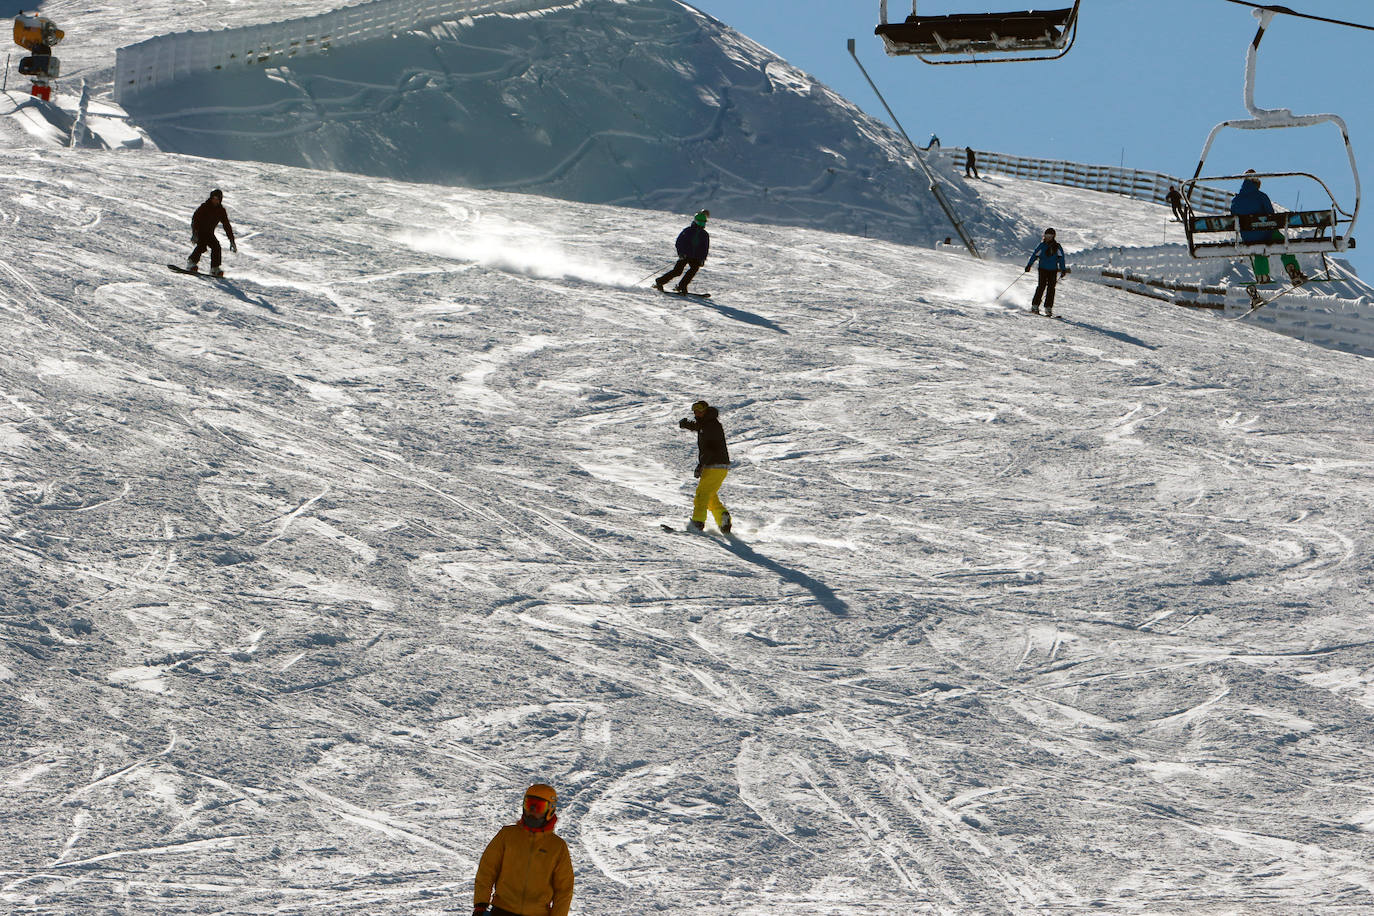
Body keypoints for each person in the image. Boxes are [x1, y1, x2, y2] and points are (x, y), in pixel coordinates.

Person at [474, 784, 574, 916]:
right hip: (502, 910)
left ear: (550, 810)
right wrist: (481, 905)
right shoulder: (507, 835)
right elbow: (487, 870)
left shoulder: (557, 846)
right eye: (529, 805)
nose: (532, 811)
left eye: (538, 807)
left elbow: (564, 890)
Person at [1230, 170, 1305, 287]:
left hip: (1248, 238)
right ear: (1256, 182)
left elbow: (1233, 218)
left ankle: (1262, 274)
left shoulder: (1236, 200)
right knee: (1282, 243)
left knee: (1258, 250)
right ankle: (1293, 270)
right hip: (1266, 233)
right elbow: (1271, 216)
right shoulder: (1261, 196)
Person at [677, 399, 732, 533]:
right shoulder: (709, 423)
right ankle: (722, 518)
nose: (697, 413)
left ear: (706, 410)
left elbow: (710, 449)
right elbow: (700, 427)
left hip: (713, 465)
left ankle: (698, 522)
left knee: (701, 495)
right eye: (695, 410)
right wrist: (687, 425)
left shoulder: (710, 425)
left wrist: (701, 465)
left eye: (700, 410)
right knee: (710, 495)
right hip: (720, 467)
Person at [655, 210, 710, 295]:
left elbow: (705, 248)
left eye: (703, 223)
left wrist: (702, 258)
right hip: (685, 255)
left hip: (696, 257)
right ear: (695, 221)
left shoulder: (704, 234)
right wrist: (681, 253)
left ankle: (682, 286)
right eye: (700, 222)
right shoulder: (688, 231)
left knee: (693, 270)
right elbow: (679, 242)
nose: (702, 225)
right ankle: (660, 281)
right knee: (677, 271)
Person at [187, 189, 237, 277]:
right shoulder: (204, 207)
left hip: (209, 232)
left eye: (217, 199)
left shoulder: (221, 211)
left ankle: (215, 268)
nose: (215, 200)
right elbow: (195, 219)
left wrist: (232, 240)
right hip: (200, 230)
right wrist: (194, 233)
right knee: (202, 245)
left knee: (216, 246)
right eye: (213, 198)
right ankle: (191, 263)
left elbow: (226, 225)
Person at [1024, 227, 1069, 317]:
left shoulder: (1057, 246)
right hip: (1043, 269)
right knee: (1041, 286)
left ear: (1053, 236)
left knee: (1051, 289)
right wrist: (1029, 265)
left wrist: (1063, 269)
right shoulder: (1042, 246)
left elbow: (1061, 259)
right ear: (1044, 236)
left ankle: (1048, 307)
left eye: (1050, 235)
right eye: (1047, 235)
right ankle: (1035, 306)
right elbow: (1034, 255)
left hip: (1053, 270)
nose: (1048, 237)